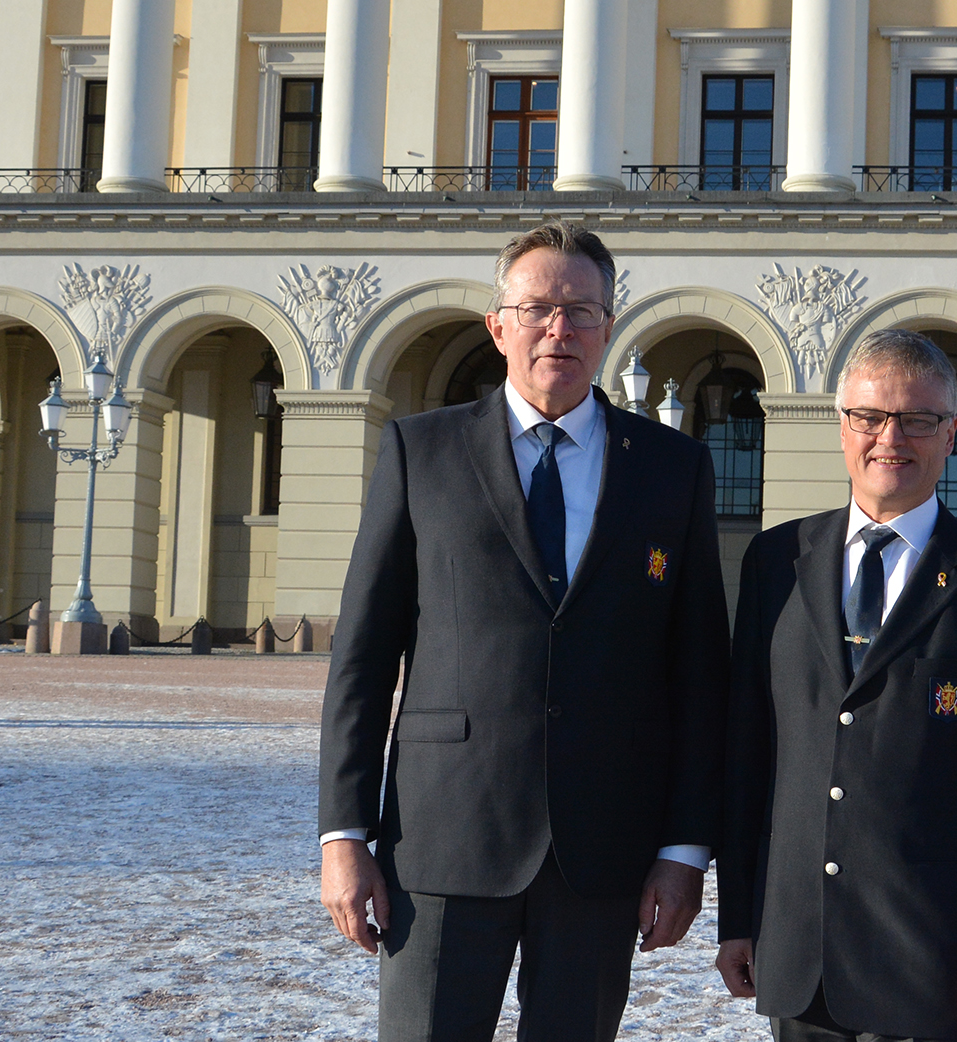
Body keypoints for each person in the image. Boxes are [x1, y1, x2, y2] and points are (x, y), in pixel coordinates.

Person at [318, 222, 730, 1042]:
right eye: (537, 307)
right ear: (498, 325)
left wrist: (685, 849)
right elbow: (361, 657)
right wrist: (343, 835)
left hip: (603, 845)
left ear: (609, 327)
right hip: (442, 834)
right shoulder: (420, 451)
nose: (558, 328)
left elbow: (698, 673)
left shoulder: (671, 467)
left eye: (582, 310)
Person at [715, 330, 957, 1039]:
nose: (891, 438)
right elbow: (747, 756)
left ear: (951, 434)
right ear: (841, 425)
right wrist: (739, 917)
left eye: (918, 419)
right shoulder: (775, 562)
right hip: (800, 959)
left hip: (938, 969)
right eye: (870, 417)